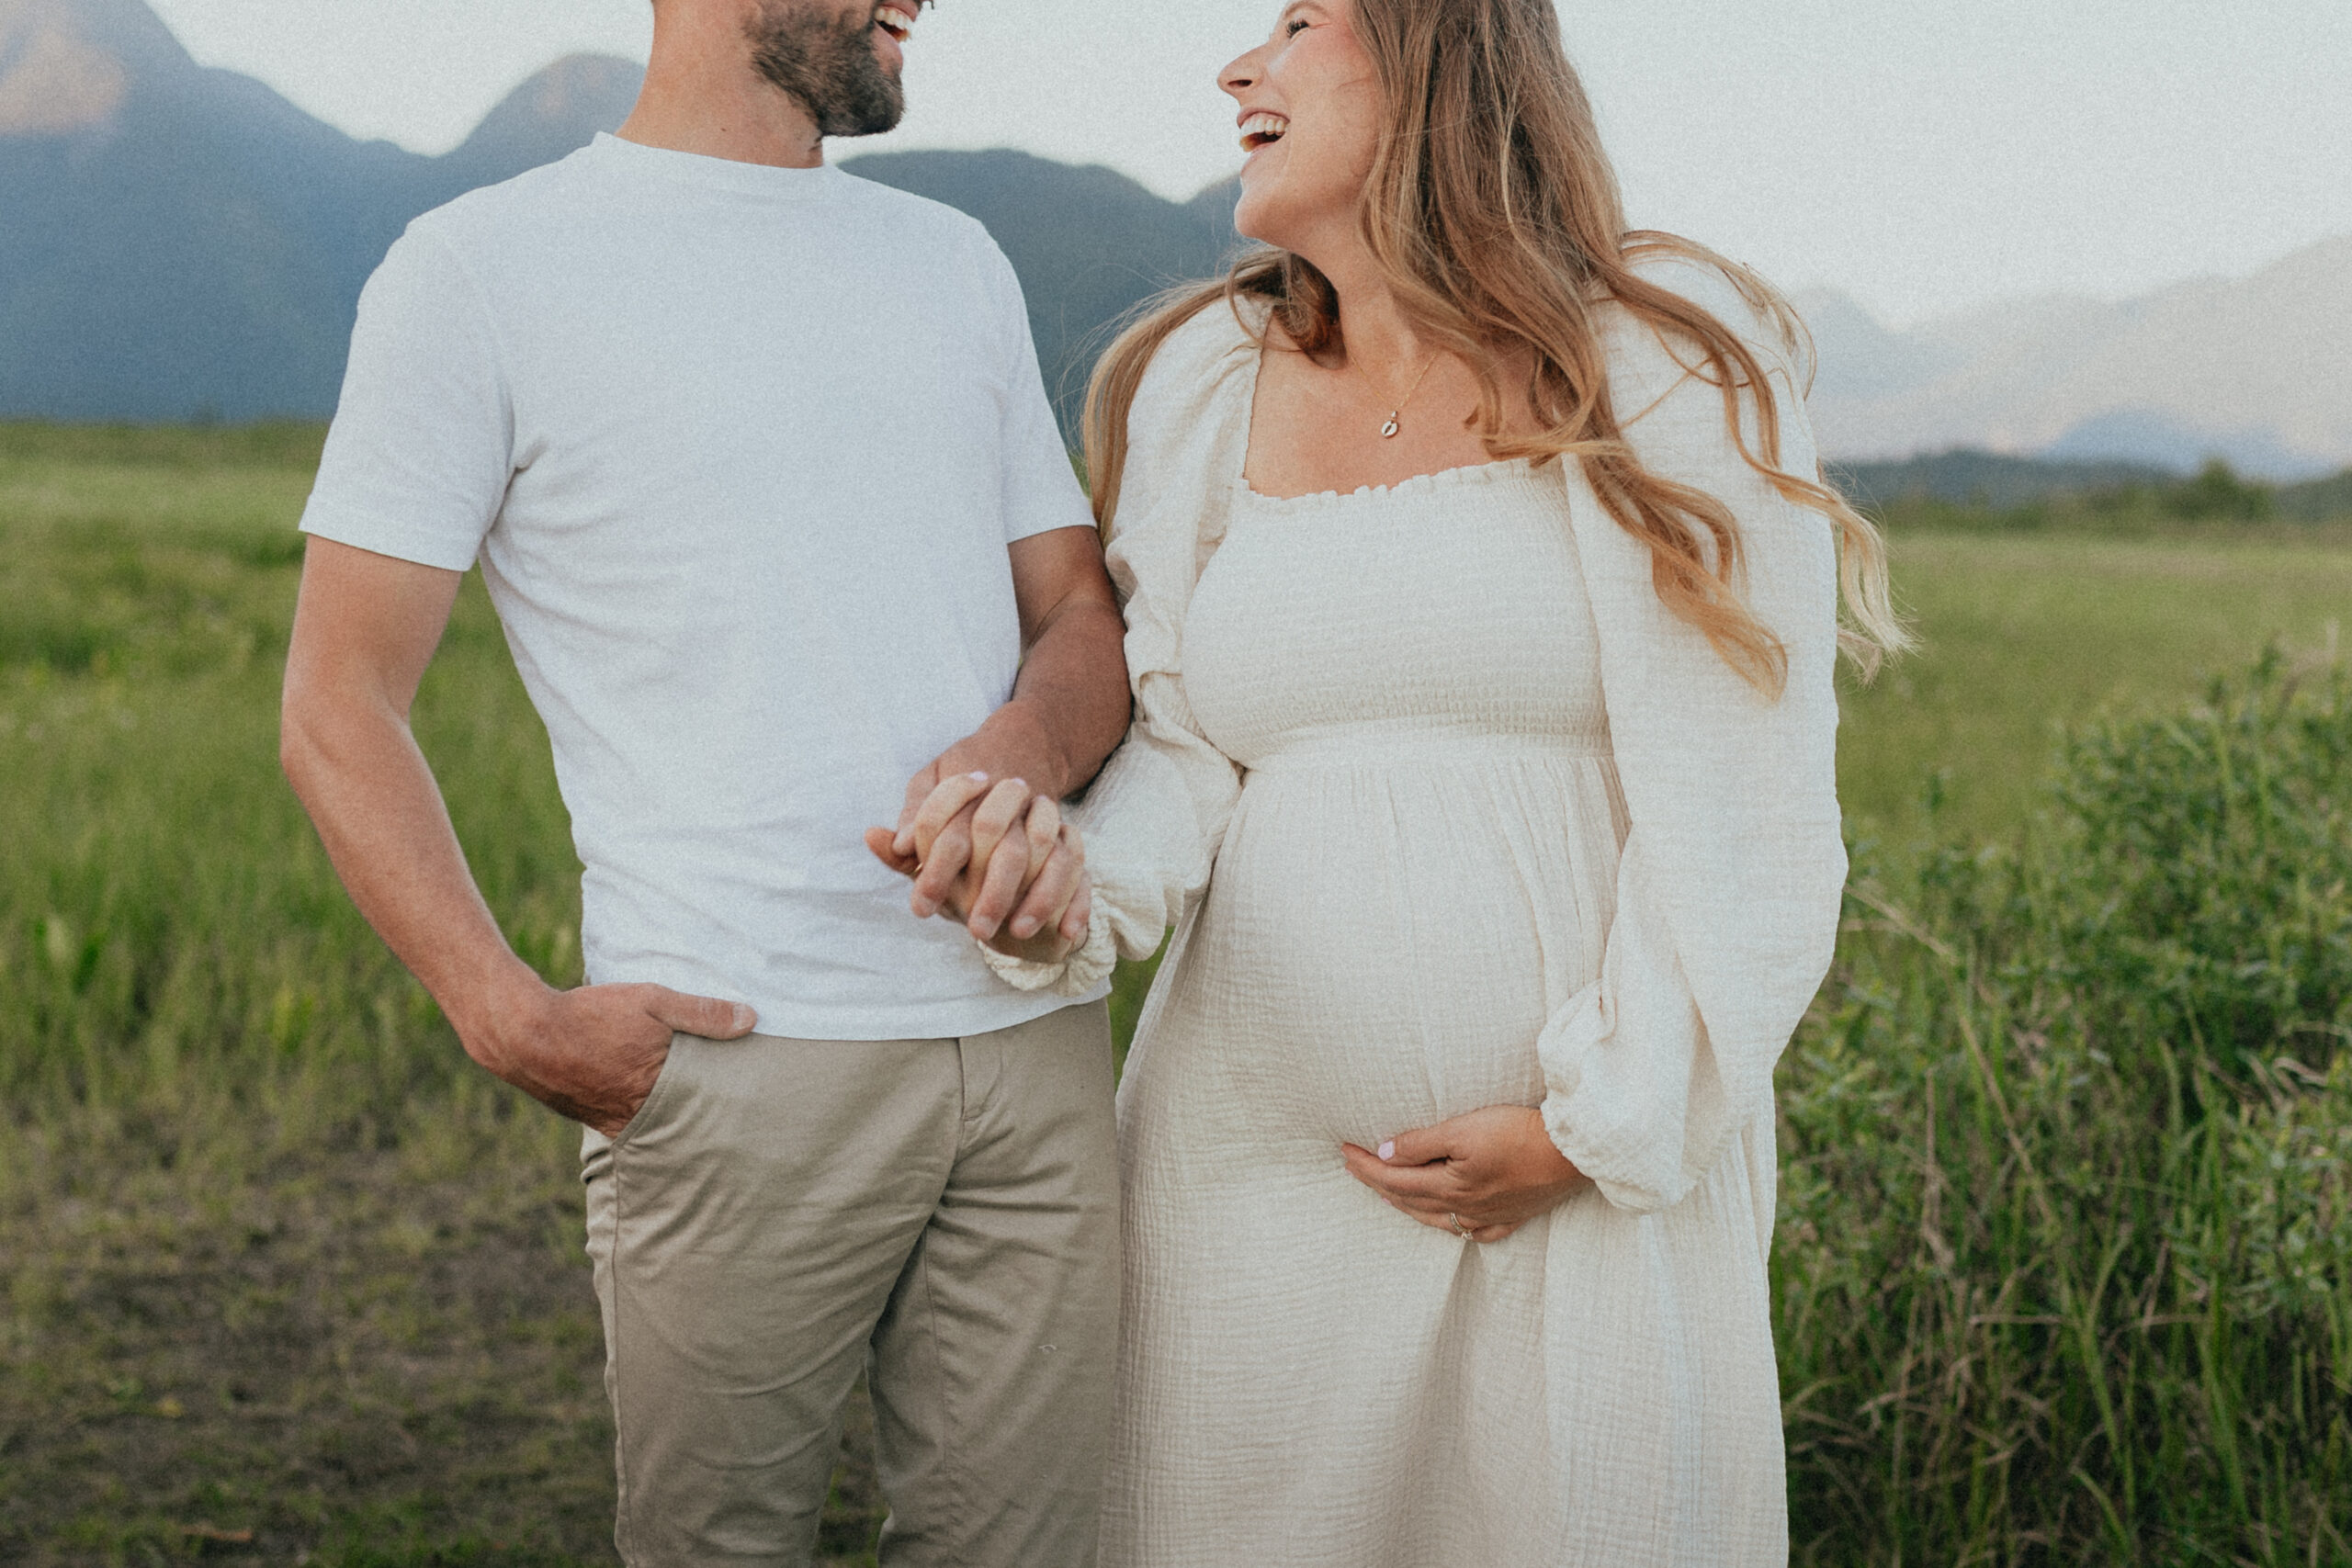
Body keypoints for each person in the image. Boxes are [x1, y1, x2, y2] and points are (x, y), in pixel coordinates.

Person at [954, 0, 1907, 1562]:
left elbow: (1745, 805)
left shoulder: (1652, 352)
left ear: (1440, 52)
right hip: (1244, 1184)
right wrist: (1071, 881)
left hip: (1583, 1185)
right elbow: (1185, 756)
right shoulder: (1203, 379)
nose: (1238, 68)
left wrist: (1590, 1131)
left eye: (1299, 20)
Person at [277, 1, 1133, 1562]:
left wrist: (1015, 759)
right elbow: (337, 699)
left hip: (1036, 1041)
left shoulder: (955, 261)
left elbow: (1077, 615)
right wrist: (509, 1014)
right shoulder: (479, 270)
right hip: (737, 1067)